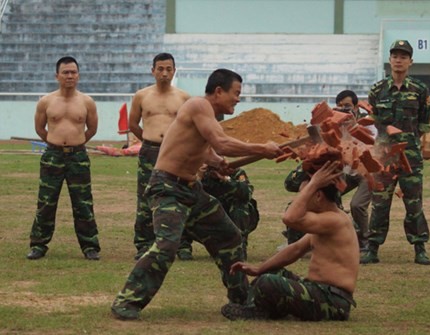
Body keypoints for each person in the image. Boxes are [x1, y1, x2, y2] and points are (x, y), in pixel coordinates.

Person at [111, 68, 283, 320]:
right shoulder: (198, 105)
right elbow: (221, 142)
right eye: (236, 93)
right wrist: (262, 148)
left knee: (230, 237)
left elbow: (200, 146)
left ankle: (242, 299)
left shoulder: (206, 114)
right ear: (218, 91)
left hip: (191, 190)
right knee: (166, 246)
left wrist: (216, 162)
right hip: (168, 187)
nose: (238, 99)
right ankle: (126, 301)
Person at [221, 161, 359, 321]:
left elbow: (290, 218)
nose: (300, 199)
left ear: (318, 196)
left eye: (304, 194)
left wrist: (314, 183)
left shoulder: (335, 220)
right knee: (271, 272)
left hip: (332, 301)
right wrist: (259, 269)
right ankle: (258, 307)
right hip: (319, 292)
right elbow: (296, 249)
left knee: (268, 283)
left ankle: (257, 311)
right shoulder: (326, 221)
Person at [360, 40, 430, 265]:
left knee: (413, 202)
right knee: (380, 202)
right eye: (395, 56)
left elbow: (424, 123)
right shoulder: (378, 89)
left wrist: (408, 142)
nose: (398, 60)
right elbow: (372, 121)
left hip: (410, 156)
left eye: (403, 56)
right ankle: (372, 248)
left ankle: (420, 247)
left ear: (411, 61)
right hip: (384, 156)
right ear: (390, 60)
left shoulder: (420, 90)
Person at [283, 90, 377, 251]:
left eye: (347, 106)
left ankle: (365, 240)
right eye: (339, 106)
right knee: (321, 196)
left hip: (365, 173)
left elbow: (371, 149)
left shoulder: (367, 124)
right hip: (344, 171)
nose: (342, 109)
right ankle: (303, 236)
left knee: (357, 205)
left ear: (356, 107)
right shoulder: (332, 123)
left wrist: (352, 127)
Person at [26, 56, 101, 261]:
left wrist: (76, 143)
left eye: (73, 72)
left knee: (83, 202)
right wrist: (55, 143)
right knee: (46, 202)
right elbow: (40, 128)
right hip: (53, 156)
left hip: (78, 157)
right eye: (65, 72)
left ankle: (90, 246)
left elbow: (92, 128)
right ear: (57, 76)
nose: (70, 76)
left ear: (78, 75)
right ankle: (39, 245)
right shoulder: (46, 101)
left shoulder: (87, 101)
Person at [128, 52, 190, 260]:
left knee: (179, 197)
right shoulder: (142, 96)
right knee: (145, 197)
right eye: (160, 69)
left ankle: (181, 245)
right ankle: (143, 244)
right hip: (150, 151)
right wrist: (147, 139)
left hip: (175, 153)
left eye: (169, 69)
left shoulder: (183, 98)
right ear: (152, 70)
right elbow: (133, 124)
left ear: (174, 71)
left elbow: (190, 127)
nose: (164, 73)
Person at [176, 166, 260, 261]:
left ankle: (239, 248)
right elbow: (181, 195)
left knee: (240, 205)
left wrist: (225, 179)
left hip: (229, 221)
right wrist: (198, 178)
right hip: (205, 221)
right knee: (182, 204)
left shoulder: (234, 172)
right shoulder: (194, 172)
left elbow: (246, 194)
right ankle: (183, 247)